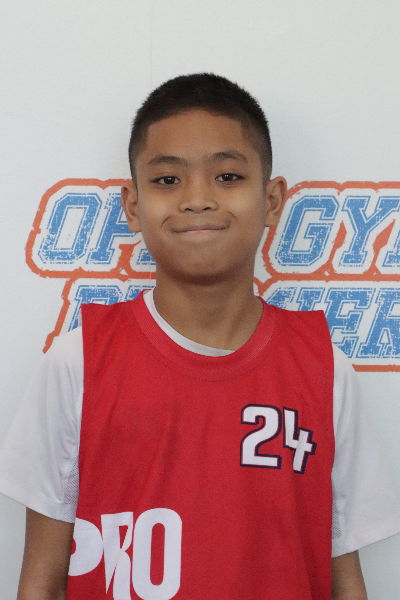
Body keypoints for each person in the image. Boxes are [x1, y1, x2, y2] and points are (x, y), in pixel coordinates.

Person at [1, 73, 399, 600]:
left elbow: (345, 580)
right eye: (168, 179)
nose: (197, 199)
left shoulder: (324, 368)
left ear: (272, 199)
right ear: (132, 204)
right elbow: (41, 580)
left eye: (227, 176)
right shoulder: (79, 362)